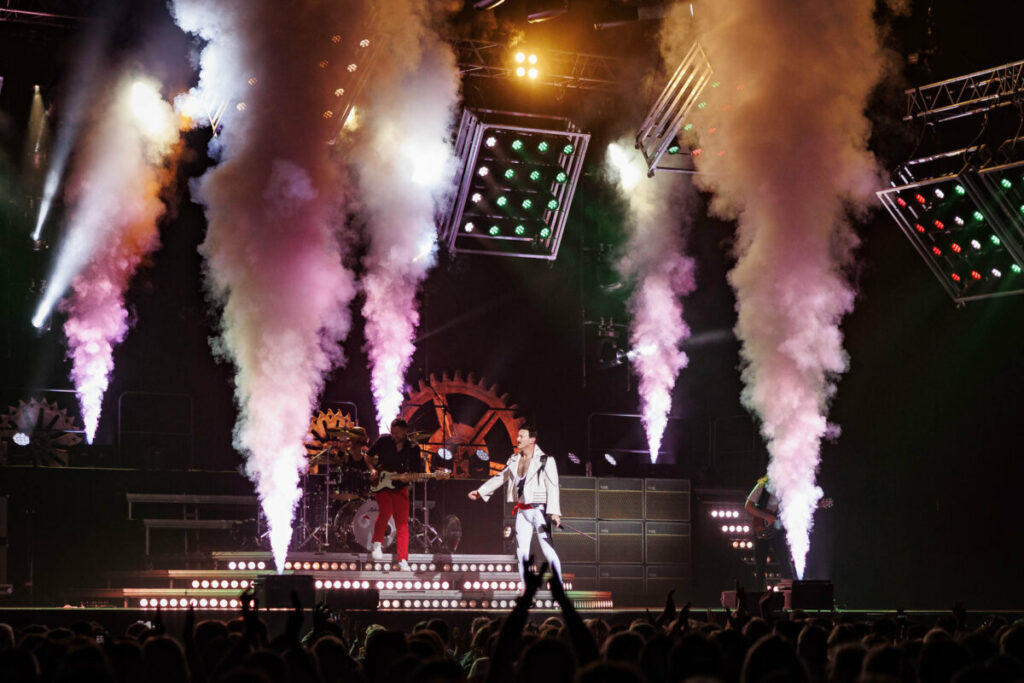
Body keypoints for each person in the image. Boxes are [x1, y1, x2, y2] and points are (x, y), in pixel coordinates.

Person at [468, 427, 563, 589]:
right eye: (517, 436)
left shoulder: (545, 460)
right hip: (522, 510)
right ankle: (526, 588)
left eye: (521, 436)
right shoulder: (514, 459)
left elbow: (553, 486)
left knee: (547, 550)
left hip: (539, 509)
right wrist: (481, 491)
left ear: (532, 440)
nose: (517, 439)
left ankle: (558, 587)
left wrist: (554, 512)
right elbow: (501, 477)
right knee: (522, 552)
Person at [367, 418, 422, 571]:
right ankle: (376, 543)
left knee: (402, 524)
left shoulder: (413, 447)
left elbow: (416, 472)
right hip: (382, 483)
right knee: (386, 511)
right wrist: (372, 469)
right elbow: (367, 456)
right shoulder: (384, 441)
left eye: (397, 433)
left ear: (405, 431)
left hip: (400, 487)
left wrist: (409, 476)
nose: (394, 435)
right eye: (392, 432)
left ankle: (403, 559)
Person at [744, 474, 795, 591]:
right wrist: (766, 516)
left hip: (777, 529)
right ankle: (759, 596)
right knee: (760, 566)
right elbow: (748, 506)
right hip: (762, 528)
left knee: (785, 561)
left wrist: (816, 505)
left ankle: (789, 596)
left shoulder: (788, 490)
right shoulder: (762, 486)